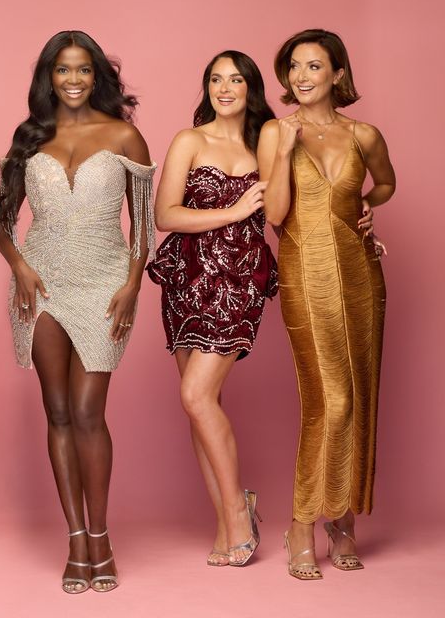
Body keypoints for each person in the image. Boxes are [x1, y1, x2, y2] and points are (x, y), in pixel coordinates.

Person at [0, 30, 155, 594]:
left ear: (97, 76)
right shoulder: (30, 136)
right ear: (49, 76)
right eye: (62, 70)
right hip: (41, 286)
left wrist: (133, 284)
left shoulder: (124, 136)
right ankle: (76, 539)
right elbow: (2, 221)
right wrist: (19, 267)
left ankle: (103, 534)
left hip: (104, 282)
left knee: (90, 411)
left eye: (83, 70)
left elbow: (143, 224)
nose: (72, 80)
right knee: (58, 412)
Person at [258, 29, 394, 580]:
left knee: (358, 396)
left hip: (363, 272)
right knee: (328, 399)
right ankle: (301, 523)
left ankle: (342, 521)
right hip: (305, 271)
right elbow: (276, 216)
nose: (301, 76)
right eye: (294, 66)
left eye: (314, 66)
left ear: (338, 74)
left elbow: (385, 184)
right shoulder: (276, 131)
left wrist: (366, 207)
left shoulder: (364, 134)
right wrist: (287, 151)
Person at [147, 50, 277, 568]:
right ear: (207, 88)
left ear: (251, 88)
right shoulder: (190, 139)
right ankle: (228, 524)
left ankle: (240, 514)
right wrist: (235, 209)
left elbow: (301, 198)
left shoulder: (268, 142)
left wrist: (360, 215)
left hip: (240, 278)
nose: (225, 88)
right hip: (186, 278)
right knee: (196, 407)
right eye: (216, 79)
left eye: (236, 79)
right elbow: (164, 215)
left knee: (196, 394)